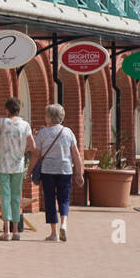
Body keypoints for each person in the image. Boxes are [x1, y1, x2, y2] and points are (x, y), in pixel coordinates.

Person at [30, 103, 84, 242]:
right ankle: (64, 223)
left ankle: (54, 233)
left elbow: (36, 154)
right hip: (65, 170)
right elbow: (76, 154)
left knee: (50, 200)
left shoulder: (43, 133)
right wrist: (79, 173)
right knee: (64, 199)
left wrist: (29, 170)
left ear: (49, 117)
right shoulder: (68, 132)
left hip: (48, 170)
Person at [0, 97, 34, 242]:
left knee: (5, 198)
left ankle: (7, 231)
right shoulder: (25, 125)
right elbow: (32, 145)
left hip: (3, 164)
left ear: (7, 109)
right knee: (16, 197)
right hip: (18, 165)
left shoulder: (1, 122)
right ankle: (16, 231)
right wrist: (21, 151)